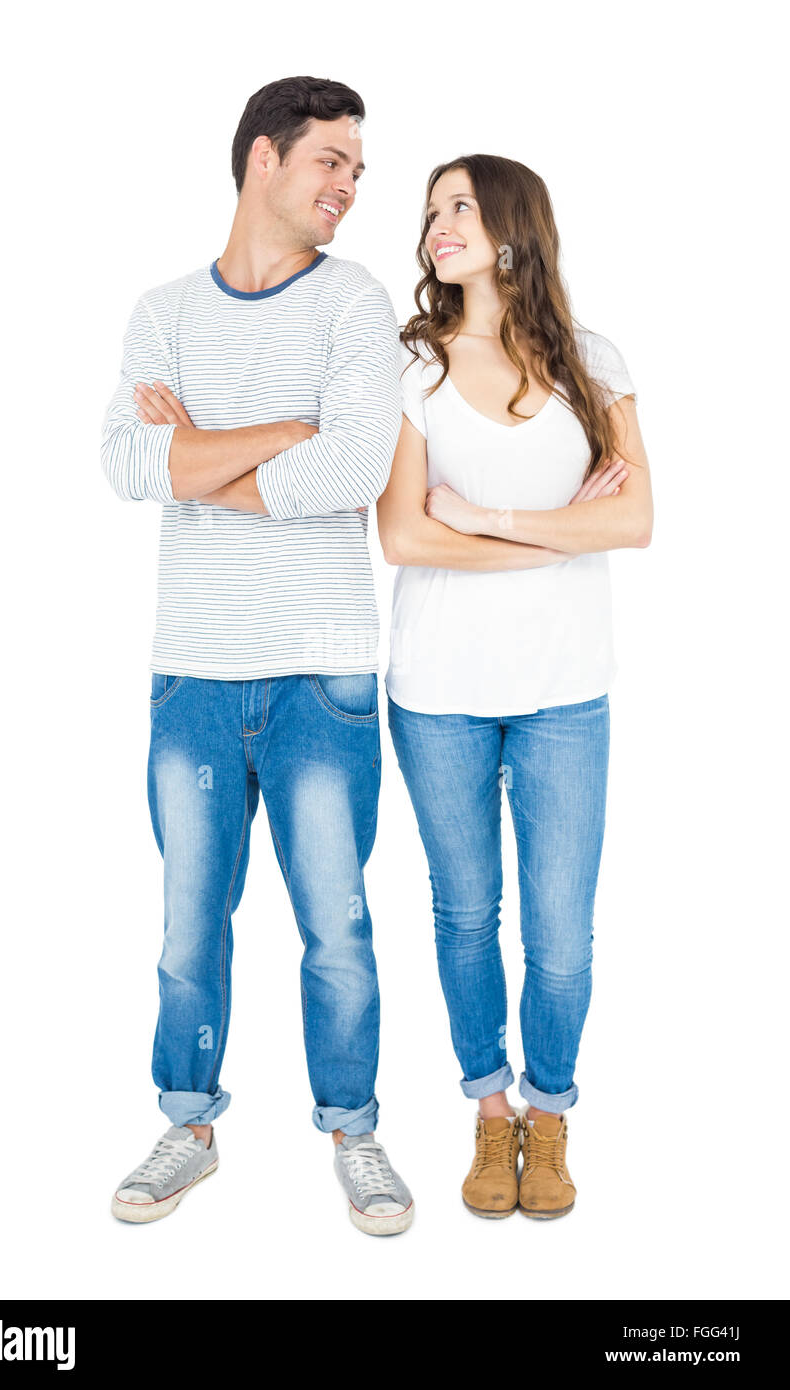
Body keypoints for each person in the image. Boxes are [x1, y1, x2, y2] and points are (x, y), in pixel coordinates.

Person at [100, 76, 413, 1235]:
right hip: (190, 666)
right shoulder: (163, 308)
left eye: (356, 170)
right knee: (189, 921)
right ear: (262, 161)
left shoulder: (355, 304)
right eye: (330, 160)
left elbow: (351, 472)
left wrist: (202, 450)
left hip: (323, 667)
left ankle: (356, 1129)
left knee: (335, 922)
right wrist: (281, 436)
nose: (347, 185)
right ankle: (187, 1124)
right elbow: (127, 466)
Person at [376, 153, 653, 1220]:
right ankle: (489, 1112)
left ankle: (550, 1107)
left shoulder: (591, 359)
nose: (439, 223)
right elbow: (402, 536)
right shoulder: (414, 369)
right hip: (436, 690)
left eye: (461, 206)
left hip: (562, 689)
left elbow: (630, 521)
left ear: (510, 231)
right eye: (431, 208)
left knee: (560, 935)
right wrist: (556, 536)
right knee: (463, 913)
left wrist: (484, 521)